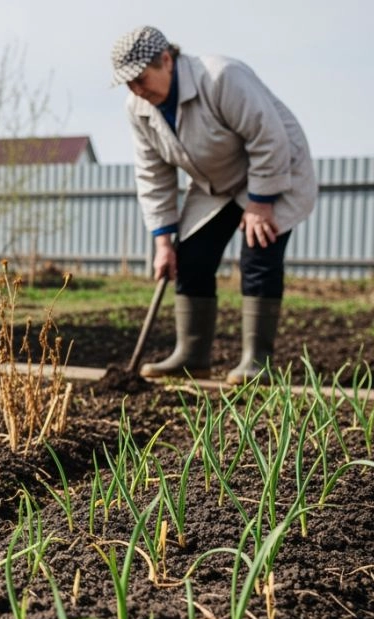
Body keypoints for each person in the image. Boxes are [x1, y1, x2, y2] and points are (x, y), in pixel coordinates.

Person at [110, 26, 317, 383]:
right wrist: (163, 243)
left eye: (141, 79)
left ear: (166, 60)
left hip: (276, 168)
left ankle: (257, 362)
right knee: (191, 257)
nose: (137, 90)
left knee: (258, 253)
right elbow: (153, 174)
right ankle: (192, 357)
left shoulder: (220, 77)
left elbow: (268, 137)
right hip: (217, 183)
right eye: (128, 84)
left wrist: (260, 203)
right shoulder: (139, 107)